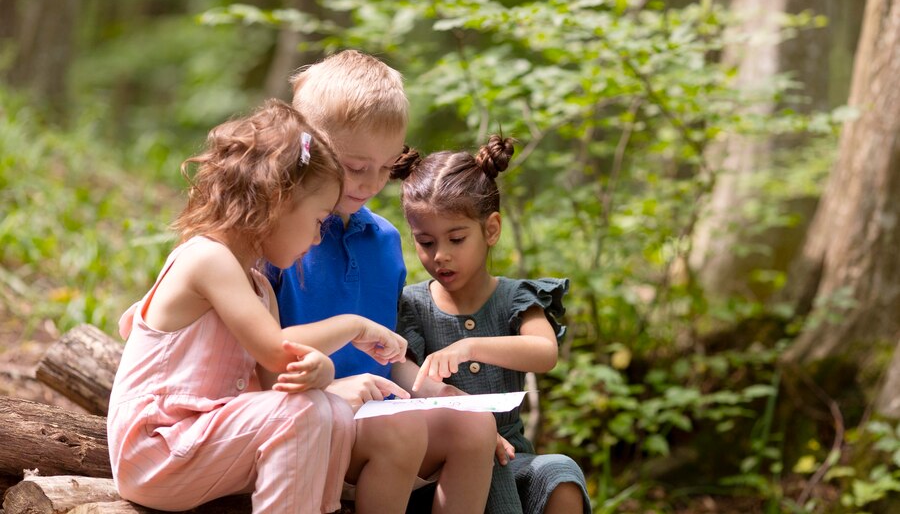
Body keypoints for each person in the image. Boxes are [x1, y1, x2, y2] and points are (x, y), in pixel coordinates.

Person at [107, 99, 415, 514]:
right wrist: (354, 326)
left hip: (202, 440)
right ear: (276, 203)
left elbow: (276, 376)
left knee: (332, 411)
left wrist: (321, 371)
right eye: (317, 220)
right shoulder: (206, 258)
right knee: (302, 414)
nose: (318, 238)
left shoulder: (257, 287)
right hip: (156, 447)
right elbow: (276, 348)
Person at [268, 50, 497, 513]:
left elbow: (383, 357)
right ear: (306, 145)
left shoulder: (385, 241)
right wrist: (327, 392)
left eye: (387, 167)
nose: (371, 183)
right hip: (304, 413)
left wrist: (431, 389)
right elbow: (252, 363)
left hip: (379, 411)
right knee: (401, 430)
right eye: (355, 167)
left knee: (476, 425)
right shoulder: (277, 236)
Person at [392, 134, 591, 514]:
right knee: (481, 444)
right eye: (426, 242)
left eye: (456, 238)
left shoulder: (516, 298)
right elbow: (404, 373)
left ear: (491, 230)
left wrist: (470, 347)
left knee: (561, 474)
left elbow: (544, 352)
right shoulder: (412, 306)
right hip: (442, 467)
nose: (441, 256)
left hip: (515, 456)